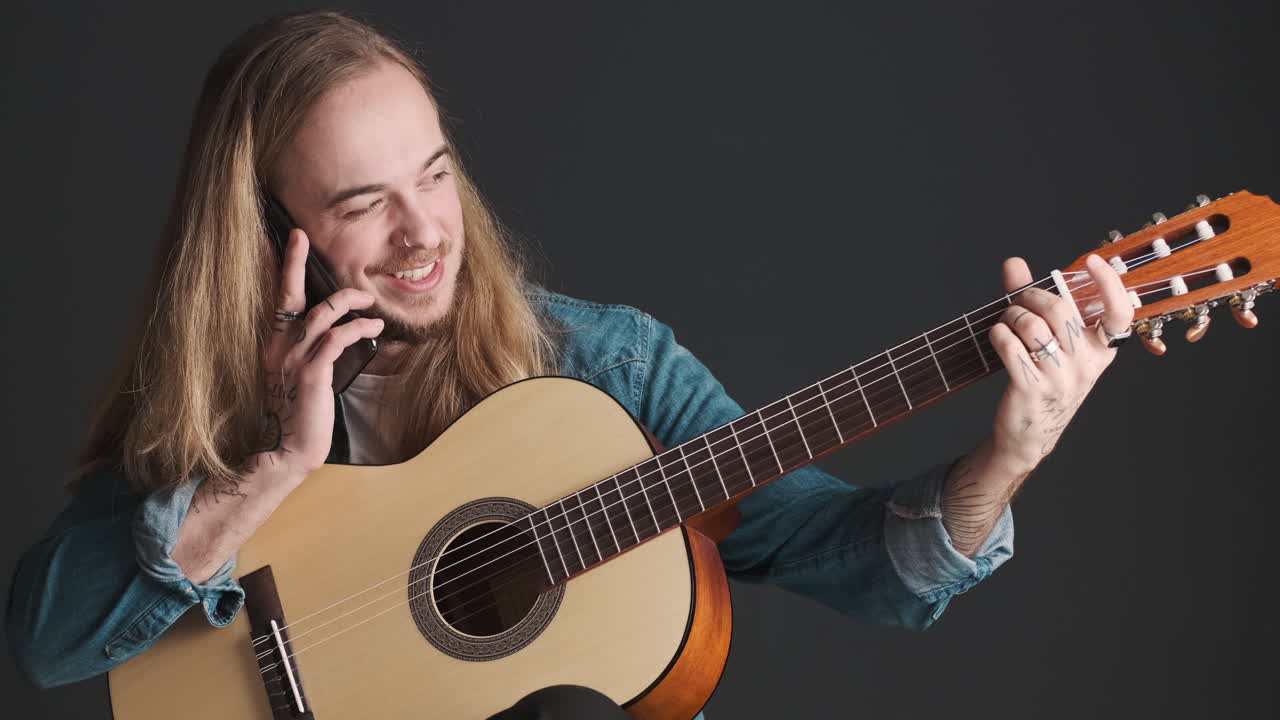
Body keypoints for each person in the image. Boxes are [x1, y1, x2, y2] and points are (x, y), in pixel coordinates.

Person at [4, 10, 1134, 719]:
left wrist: (1005, 460)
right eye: (363, 203)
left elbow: (832, 551)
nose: (423, 233)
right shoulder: (211, 409)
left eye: (434, 175)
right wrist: (274, 465)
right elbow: (51, 647)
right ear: (269, 233)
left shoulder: (605, 365)